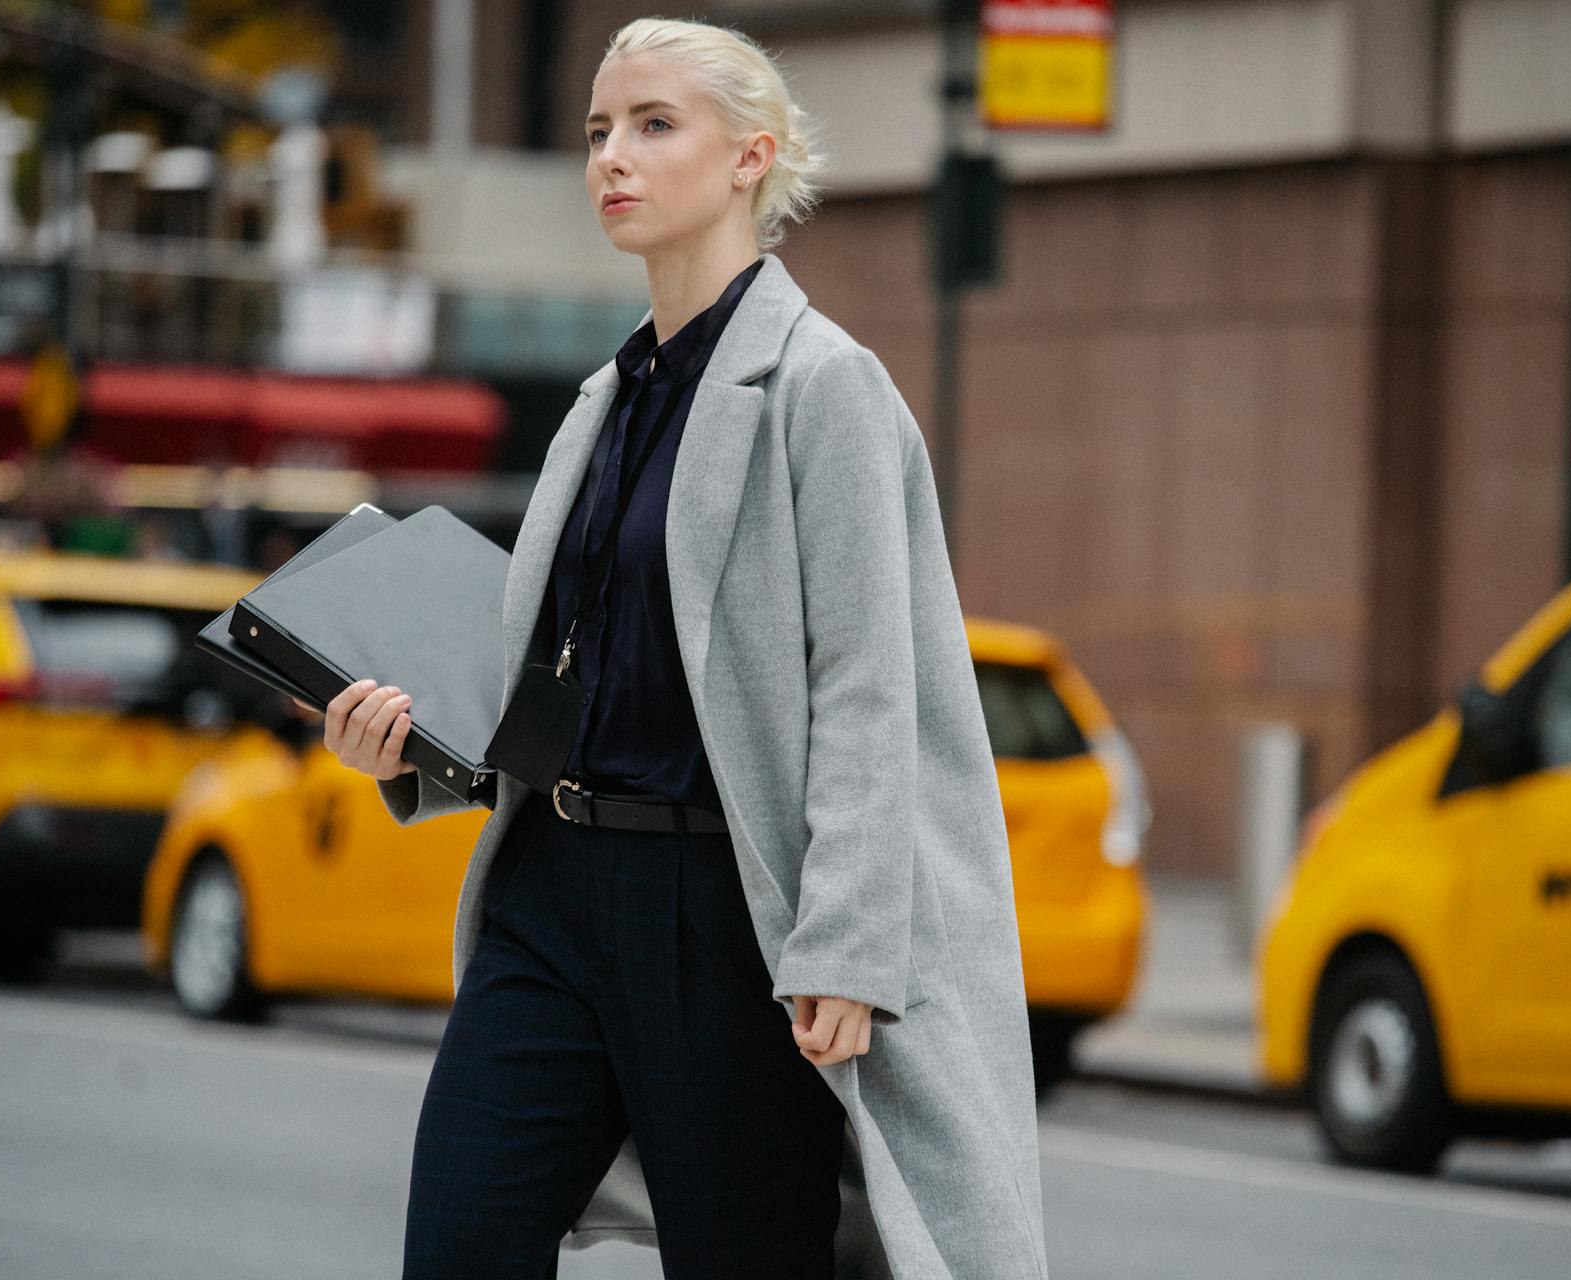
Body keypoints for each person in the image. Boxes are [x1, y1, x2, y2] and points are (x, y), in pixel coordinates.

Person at [321, 16, 1047, 1280]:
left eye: (655, 126)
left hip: (722, 918)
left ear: (749, 159)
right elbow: (562, 678)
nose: (614, 155)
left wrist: (849, 942)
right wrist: (410, 747)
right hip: (549, 896)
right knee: (460, 1240)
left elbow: (873, 685)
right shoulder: (601, 403)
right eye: (600, 130)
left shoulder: (827, 389)